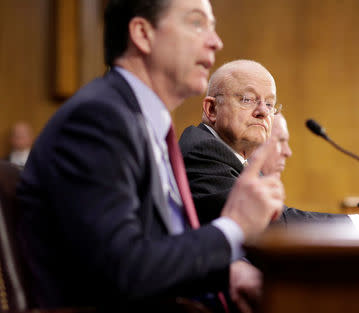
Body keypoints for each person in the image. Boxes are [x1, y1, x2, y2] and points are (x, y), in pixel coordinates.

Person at [17, 2, 283, 312]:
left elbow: (155, 252)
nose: (216, 41)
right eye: (197, 23)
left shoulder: (140, 123)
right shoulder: (99, 120)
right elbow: (124, 271)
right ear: (143, 34)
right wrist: (234, 227)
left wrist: (227, 273)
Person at [179, 59, 359, 227]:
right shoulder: (203, 150)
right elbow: (272, 222)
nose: (262, 111)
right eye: (248, 99)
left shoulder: (237, 157)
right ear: (211, 109)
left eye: (270, 104)